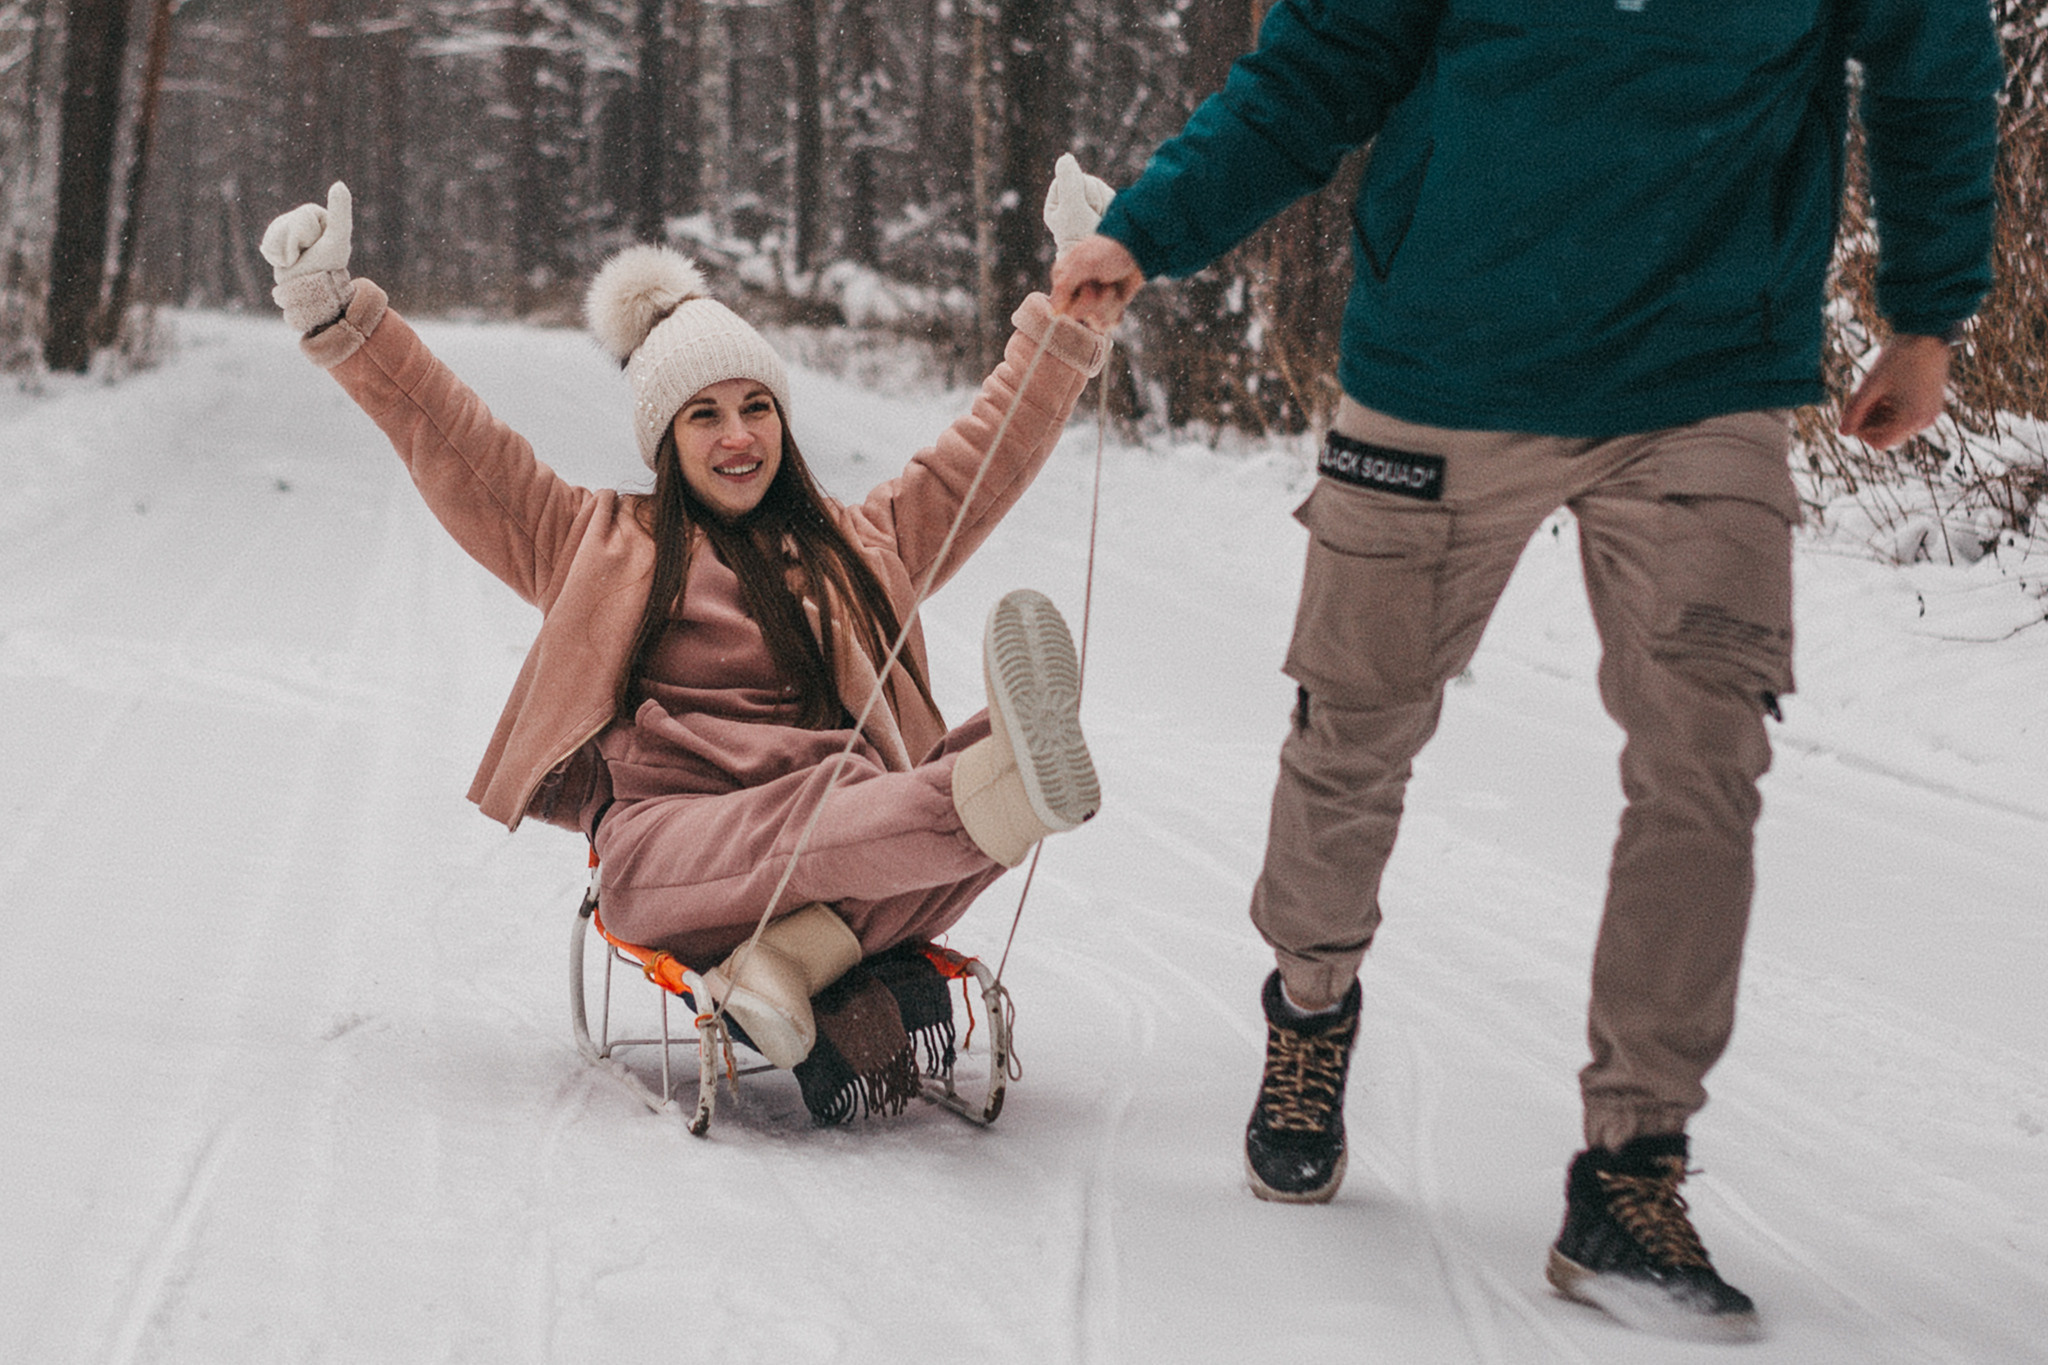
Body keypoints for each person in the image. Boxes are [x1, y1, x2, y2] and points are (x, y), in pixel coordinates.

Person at [1052, 0, 2000, 1338]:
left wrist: (1930, 313)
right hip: (1446, 356)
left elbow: (1932, 68)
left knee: (1705, 757)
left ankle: (1632, 1167)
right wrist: (1149, 228)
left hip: (1703, 373)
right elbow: (1320, 72)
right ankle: (1310, 1007)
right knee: (1355, 727)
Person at [261, 176, 1113, 1120]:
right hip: (674, 847)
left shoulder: (859, 546)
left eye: (758, 406)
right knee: (866, 815)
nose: (739, 435)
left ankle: (804, 945)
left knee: (920, 800)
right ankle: (985, 792)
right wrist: (336, 312)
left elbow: (983, 452)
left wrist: (1074, 307)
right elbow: (450, 438)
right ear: (666, 439)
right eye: (704, 415)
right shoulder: (594, 541)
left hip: (850, 828)